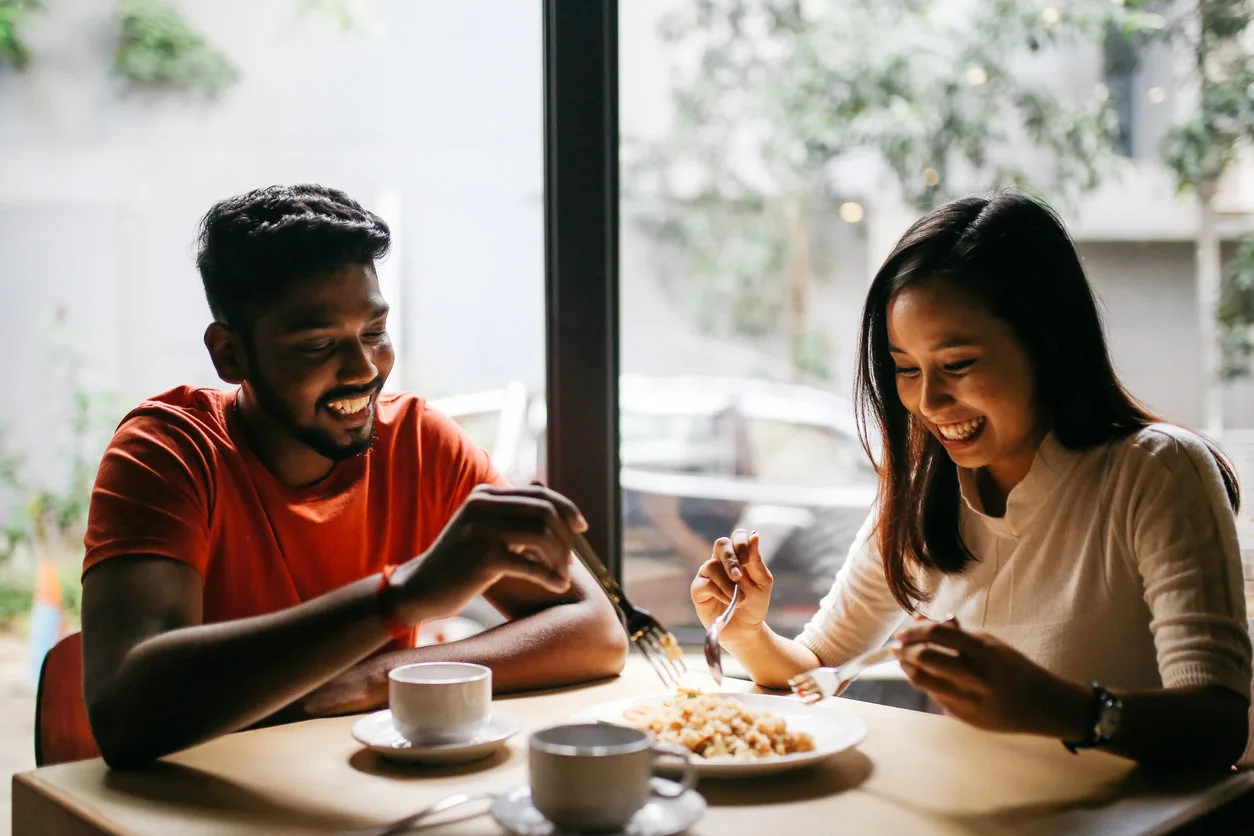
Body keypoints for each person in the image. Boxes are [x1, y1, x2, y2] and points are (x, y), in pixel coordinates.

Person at [691, 191, 1252, 768]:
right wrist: (747, 631)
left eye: (957, 365)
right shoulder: (922, 491)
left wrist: (1061, 708)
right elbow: (816, 667)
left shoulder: (1155, 470)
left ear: (1045, 342)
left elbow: (1218, 723)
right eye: (906, 369)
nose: (927, 400)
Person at [81, 184, 627, 769]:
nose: (365, 369)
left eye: (374, 332)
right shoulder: (168, 452)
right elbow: (125, 713)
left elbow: (597, 631)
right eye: (318, 344)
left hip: (358, 785)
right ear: (230, 354)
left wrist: (374, 678)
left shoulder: (420, 444)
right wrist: (402, 597)